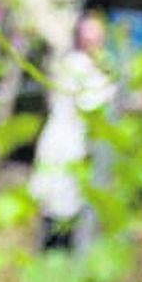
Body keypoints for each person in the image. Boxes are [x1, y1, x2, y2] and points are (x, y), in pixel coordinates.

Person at [28, 13, 116, 251]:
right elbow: (90, 101)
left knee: (60, 196)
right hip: (66, 139)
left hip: (67, 137)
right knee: (60, 196)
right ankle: (53, 251)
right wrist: (112, 89)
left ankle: (52, 249)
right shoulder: (78, 64)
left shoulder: (80, 63)